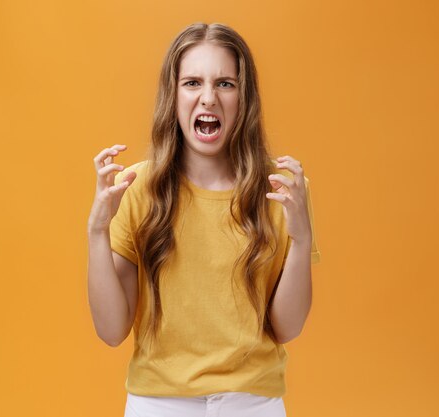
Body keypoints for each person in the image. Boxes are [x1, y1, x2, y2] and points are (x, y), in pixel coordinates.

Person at [87, 22, 321, 417]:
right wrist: (96, 232)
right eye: (192, 83)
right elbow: (111, 331)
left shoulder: (281, 191)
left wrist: (300, 240)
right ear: (173, 96)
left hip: (254, 404)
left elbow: (287, 328)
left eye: (225, 84)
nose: (208, 98)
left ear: (243, 98)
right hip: (157, 404)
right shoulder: (137, 187)